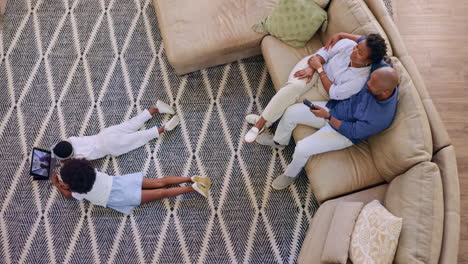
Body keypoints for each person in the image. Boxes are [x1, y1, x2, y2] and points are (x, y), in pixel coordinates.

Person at [256, 66, 399, 190]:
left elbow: (352, 131)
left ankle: (290, 174)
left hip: (343, 133)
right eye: (370, 79)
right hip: (335, 110)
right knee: (291, 112)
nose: (367, 83)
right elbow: (367, 41)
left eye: (372, 84)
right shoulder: (381, 75)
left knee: (302, 148)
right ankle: (279, 142)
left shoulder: (380, 118)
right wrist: (340, 37)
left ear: (385, 92)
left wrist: (328, 117)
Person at [244, 33, 388, 143]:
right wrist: (314, 67)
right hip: (314, 66)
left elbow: (333, 93)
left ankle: (267, 125)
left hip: (325, 89)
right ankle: (260, 125)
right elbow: (324, 53)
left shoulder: (359, 80)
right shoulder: (348, 45)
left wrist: (319, 69)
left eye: (359, 52)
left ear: (369, 61)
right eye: (357, 46)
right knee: (293, 88)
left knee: (293, 101)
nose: (354, 50)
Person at [50, 159, 212, 214]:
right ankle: (190, 178)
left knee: (162, 193)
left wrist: (57, 184)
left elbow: (68, 195)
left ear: (71, 185)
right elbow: (78, 169)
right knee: (160, 181)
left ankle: (192, 188)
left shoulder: (79, 192)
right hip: (120, 183)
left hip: (119, 197)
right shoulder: (91, 171)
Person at [52, 100, 179, 161]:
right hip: (105, 133)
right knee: (132, 124)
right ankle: (156, 109)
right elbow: (61, 146)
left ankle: (164, 128)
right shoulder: (71, 140)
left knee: (139, 138)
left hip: (110, 146)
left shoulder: (77, 158)